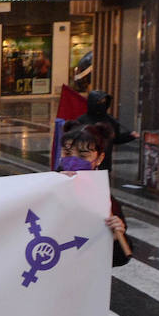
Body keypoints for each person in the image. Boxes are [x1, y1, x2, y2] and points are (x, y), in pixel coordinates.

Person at [58, 125, 131, 266]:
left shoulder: (105, 202)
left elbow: (120, 259)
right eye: (67, 154)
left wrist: (115, 238)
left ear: (99, 158)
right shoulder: (43, 189)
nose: (73, 160)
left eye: (83, 156)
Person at [69, 89, 137, 172]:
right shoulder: (81, 120)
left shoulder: (110, 120)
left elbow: (116, 138)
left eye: (104, 102)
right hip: (84, 163)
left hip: (104, 164)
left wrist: (130, 136)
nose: (102, 104)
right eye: (99, 102)